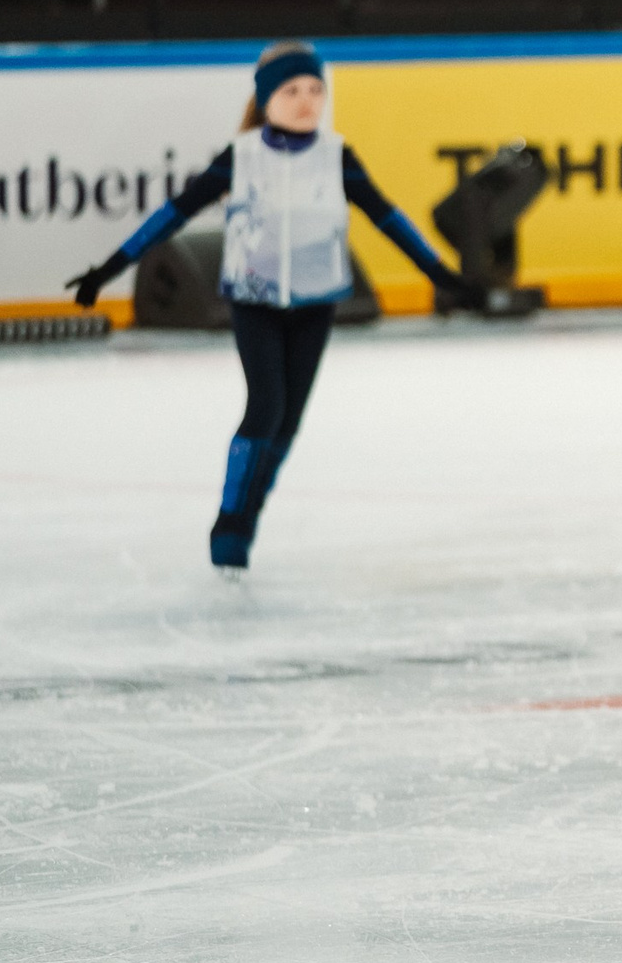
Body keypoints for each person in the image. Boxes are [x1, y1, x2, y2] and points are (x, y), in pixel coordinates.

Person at [62, 41, 479, 570]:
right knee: (266, 407)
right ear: (266, 99)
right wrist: (109, 268)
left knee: (287, 424)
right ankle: (231, 524)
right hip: (255, 301)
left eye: (315, 90)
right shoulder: (242, 157)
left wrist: (440, 273)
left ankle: (250, 508)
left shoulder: (336, 156)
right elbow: (174, 214)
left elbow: (387, 218)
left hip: (315, 304)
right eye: (292, 91)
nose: (307, 101)